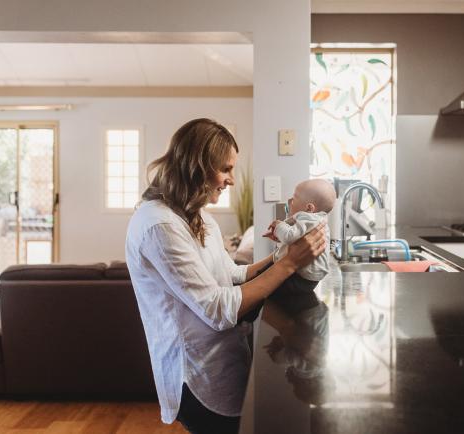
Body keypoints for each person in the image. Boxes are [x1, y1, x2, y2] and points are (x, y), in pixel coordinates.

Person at [124, 118, 326, 434]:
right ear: (197, 167)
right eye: (226, 169)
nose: (231, 179)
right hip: (196, 375)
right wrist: (287, 265)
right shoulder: (159, 226)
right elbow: (217, 309)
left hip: (222, 361)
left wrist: (281, 256)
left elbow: (230, 274)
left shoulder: (196, 216)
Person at [262, 179, 336, 297]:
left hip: (301, 278)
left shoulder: (309, 218)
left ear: (309, 208)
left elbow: (289, 236)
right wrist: (279, 234)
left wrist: (278, 226)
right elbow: (296, 237)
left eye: (294, 198)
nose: (290, 201)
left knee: (270, 290)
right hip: (307, 277)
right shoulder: (316, 219)